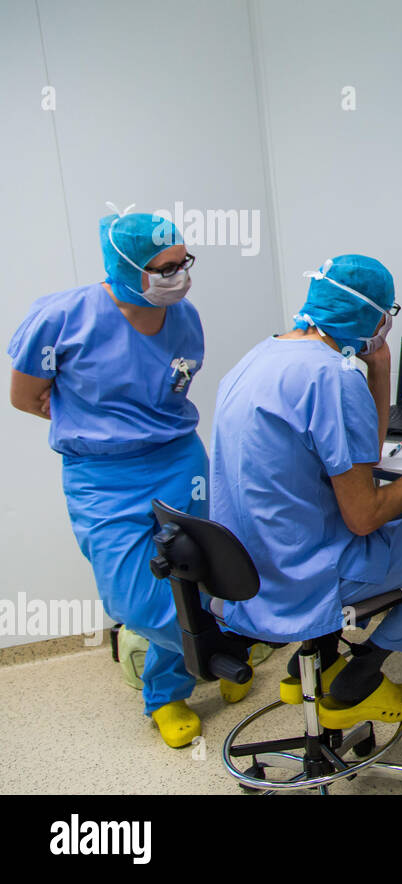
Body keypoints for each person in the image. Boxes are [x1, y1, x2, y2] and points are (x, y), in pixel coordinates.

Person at [210, 254, 402, 727]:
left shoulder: (260, 356)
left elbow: (369, 452)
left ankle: (317, 657)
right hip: (306, 576)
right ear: (372, 313)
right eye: (389, 312)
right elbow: (364, 518)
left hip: (252, 568)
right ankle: (362, 674)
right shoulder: (333, 377)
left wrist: (379, 367)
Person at [8, 208, 220, 748]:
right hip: (102, 476)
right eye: (163, 268)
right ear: (123, 266)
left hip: (178, 460)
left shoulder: (186, 315)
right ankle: (216, 656)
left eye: (181, 263)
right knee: (135, 600)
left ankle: (167, 693)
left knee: (196, 575)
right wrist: (100, 428)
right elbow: (27, 397)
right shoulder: (61, 318)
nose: (178, 276)